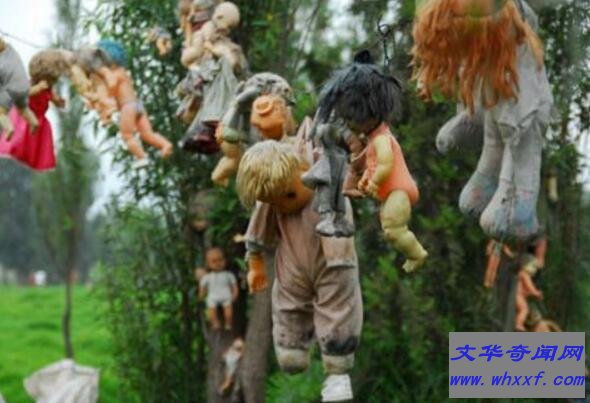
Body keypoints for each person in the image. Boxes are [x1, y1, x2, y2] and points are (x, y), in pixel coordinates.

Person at [237, 136, 362, 402]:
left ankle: (337, 369)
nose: (282, 206)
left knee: (338, 308)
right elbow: (258, 229)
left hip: (332, 262)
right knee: (287, 304)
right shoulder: (272, 199)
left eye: (289, 195)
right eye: (274, 203)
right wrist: (255, 262)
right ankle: (291, 344)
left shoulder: (327, 179)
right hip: (293, 267)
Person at [96, 40, 173, 167]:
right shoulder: (123, 71)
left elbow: (112, 87)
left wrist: (103, 89)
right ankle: (165, 145)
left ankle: (141, 157)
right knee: (147, 133)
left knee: (127, 134)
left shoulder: (115, 74)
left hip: (127, 106)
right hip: (137, 105)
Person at [198, 247, 238, 330]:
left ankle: (228, 323)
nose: (218, 263)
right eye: (214, 261)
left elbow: (234, 286)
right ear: (208, 264)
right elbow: (202, 286)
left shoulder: (228, 275)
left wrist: (235, 294)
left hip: (226, 295)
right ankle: (215, 324)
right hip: (213, 296)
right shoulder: (207, 277)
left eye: (220, 260)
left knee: (228, 312)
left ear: (225, 260)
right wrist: (201, 294)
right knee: (211, 312)